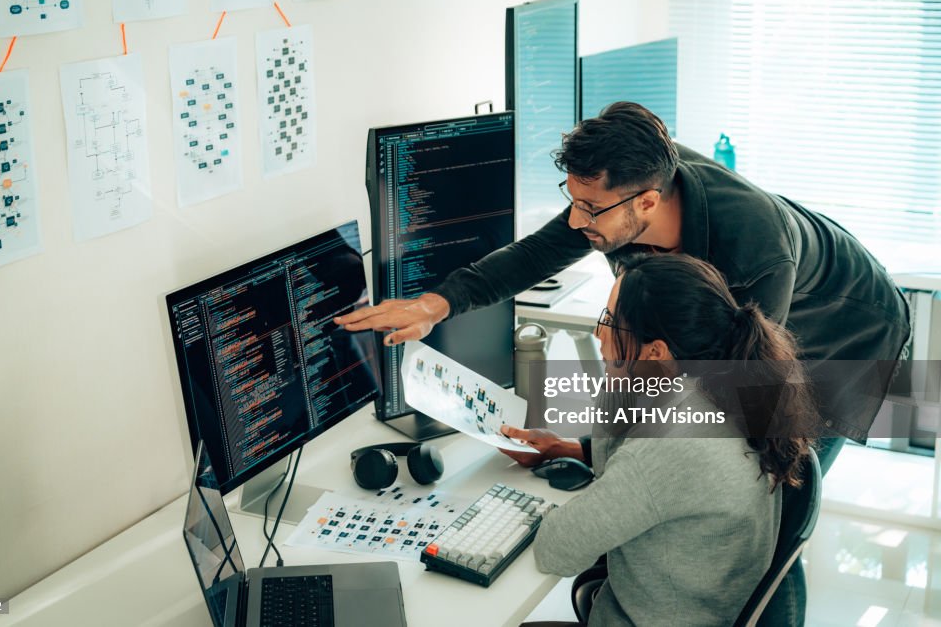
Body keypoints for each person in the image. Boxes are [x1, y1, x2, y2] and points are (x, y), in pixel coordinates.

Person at [335, 101, 910, 621]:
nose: (577, 220)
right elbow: (536, 253)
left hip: (846, 332)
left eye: (589, 208)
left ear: (648, 202)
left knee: (769, 488)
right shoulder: (625, 185)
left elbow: (727, 402)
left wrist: (632, 475)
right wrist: (434, 306)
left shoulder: (753, 253)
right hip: (761, 315)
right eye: (572, 200)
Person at [508, 253, 820, 626]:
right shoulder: (726, 388)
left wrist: (617, 375)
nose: (597, 333)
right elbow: (615, 472)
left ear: (656, 351)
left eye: (609, 322)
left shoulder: (672, 443)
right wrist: (626, 366)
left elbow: (557, 551)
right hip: (704, 607)